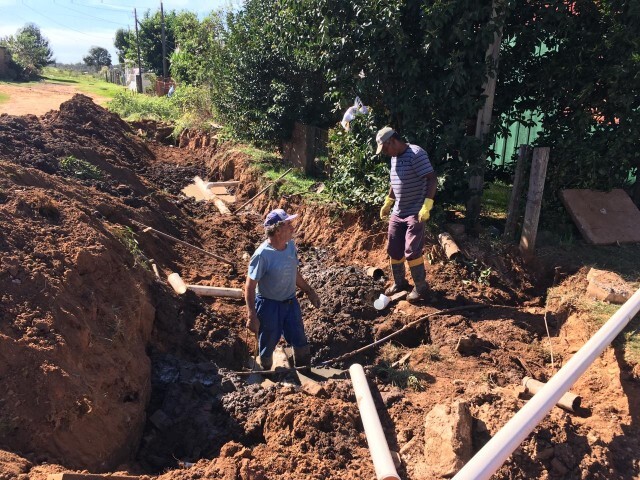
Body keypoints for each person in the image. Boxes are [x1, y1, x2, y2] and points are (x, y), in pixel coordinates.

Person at [245, 208, 320, 370]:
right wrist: (251, 315)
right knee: (268, 341)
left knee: (299, 338)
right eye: (288, 225)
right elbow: (250, 286)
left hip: (290, 303)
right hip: (268, 306)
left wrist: (309, 291)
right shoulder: (262, 255)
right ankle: (265, 373)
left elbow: (293, 271)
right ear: (278, 230)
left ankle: (304, 370)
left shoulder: (290, 246)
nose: (293, 228)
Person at [376, 126, 437, 302]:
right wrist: (388, 202)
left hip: (415, 211)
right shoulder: (394, 158)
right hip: (398, 212)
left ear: (393, 141)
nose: (385, 152)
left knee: (412, 250)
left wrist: (427, 205)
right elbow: (395, 181)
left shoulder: (416, 154)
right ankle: (400, 282)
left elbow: (432, 178)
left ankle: (421, 287)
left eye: (385, 148)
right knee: (394, 249)